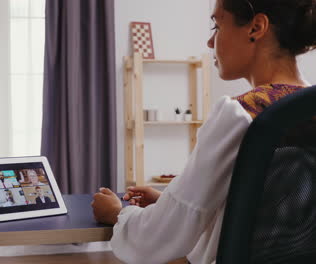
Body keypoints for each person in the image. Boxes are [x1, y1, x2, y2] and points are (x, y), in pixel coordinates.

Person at [91, 0, 315, 263]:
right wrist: (170, 200)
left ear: (256, 27)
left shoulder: (239, 114)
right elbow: (264, 208)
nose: (210, 42)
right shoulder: (305, 108)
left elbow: (159, 237)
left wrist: (118, 214)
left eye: (217, 26)